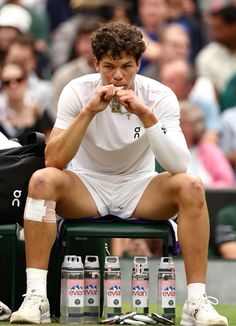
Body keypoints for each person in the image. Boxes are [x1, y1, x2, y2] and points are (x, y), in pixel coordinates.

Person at [10, 22, 228, 326]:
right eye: (109, 66)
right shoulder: (77, 90)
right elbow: (55, 159)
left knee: (191, 185)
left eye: (127, 66)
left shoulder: (159, 96)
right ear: (96, 62)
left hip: (139, 189)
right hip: (86, 186)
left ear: (139, 64)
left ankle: (196, 302)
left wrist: (146, 116)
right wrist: (88, 112)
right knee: (42, 180)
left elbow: (178, 165)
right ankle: (37, 298)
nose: (117, 75)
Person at [180, 101, 235, 188]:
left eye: (185, 124)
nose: (180, 128)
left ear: (197, 127)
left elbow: (227, 181)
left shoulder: (209, 150)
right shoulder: (166, 150)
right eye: (178, 123)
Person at [0, 61, 53, 142]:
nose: (13, 86)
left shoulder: (38, 111)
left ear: (26, 81)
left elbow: (51, 144)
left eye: (18, 80)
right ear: (2, 86)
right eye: (7, 82)